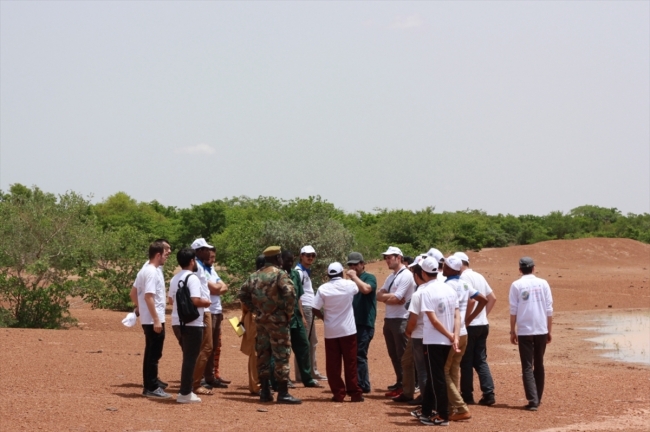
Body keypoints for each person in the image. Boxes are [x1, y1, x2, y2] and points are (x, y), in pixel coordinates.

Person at [238, 246, 301, 404]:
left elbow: (242, 293)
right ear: (277, 258)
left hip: (261, 321)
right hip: (278, 322)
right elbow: (290, 293)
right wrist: (287, 312)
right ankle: (283, 392)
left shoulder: (254, 276)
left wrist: (256, 309)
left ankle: (265, 391)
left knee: (263, 355)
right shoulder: (280, 274)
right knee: (281, 355)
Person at [410, 256, 461, 426]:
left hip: (433, 340)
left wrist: (449, 335)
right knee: (434, 377)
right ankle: (426, 411)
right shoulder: (449, 289)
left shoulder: (426, 292)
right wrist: (455, 335)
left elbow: (433, 320)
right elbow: (456, 315)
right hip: (446, 341)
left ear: (423, 273)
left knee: (437, 378)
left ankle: (443, 415)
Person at [442, 255, 488, 421]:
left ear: (449, 269)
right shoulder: (464, 284)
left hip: (450, 334)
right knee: (453, 369)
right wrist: (469, 319)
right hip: (463, 333)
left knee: (442, 371)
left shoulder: (446, 286)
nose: (442, 268)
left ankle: (460, 407)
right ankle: (451, 407)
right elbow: (483, 300)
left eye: (445, 266)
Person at [312, 262, 364, 402]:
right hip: (348, 330)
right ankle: (354, 393)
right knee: (351, 362)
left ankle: (338, 393)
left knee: (333, 364)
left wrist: (324, 318)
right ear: (342, 273)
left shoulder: (323, 289)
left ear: (328, 275)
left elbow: (314, 307)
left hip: (331, 331)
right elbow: (358, 289)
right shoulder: (349, 285)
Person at [509, 256, 553, 411]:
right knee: (539, 364)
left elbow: (513, 310)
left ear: (520, 270)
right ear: (533, 268)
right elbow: (549, 309)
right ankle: (537, 398)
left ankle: (533, 400)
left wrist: (512, 330)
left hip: (525, 330)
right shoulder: (543, 283)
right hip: (541, 328)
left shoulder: (516, 285)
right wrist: (549, 330)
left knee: (527, 365)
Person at [168, 248, 211, 404]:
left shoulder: (174, 278)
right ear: (192, 261)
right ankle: (185, 393)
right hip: (192, 323)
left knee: (188, 357)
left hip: (176, 322)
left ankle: (185, 391)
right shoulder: (192, 278)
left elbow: (170, 301)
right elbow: (195, 300)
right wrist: (206, 302)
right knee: (190, 358)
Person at [455, 251, 498, 406]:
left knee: (466, 361)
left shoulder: (463, 278)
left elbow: (472, 301)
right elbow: (492, 298)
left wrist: (468, 320)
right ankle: (489, 393)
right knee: (480, 360)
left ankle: (467, 395)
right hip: (482, 324)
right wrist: (483, 316)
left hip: (471, 326)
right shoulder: (479, 276)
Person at [130, 238, 172, 391]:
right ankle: (151, 387)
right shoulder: (151, 272)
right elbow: (148, 296)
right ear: (158, 255)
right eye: (165, 253)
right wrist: (155, 319)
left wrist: (141, 310)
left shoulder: (146, 270)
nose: (168, 255)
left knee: (152, 352)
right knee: (153, 353)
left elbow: (133, 293)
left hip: (151, 317)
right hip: (154, 319)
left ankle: (152, 382)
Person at [377, 246, 416, 398]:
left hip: (401, 319)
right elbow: (379, 295)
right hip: (390, 319)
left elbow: (399, 298)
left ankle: (406, 387)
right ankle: (400, 383)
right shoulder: (391, 276)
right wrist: (390, 298)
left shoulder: (406, 275)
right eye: (386, 257)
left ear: (398, 257)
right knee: (394, 354)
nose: (387, 260)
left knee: (403, 356)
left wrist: (388, 297)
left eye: (390, 257)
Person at [281, 250, 323, 388]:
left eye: (291, 260)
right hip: (282, 318)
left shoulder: (294, 274)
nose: (289, 263)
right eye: (287, 260)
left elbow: (298, 297)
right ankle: (284, 378)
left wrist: (302, 316)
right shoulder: (277, 275)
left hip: (296, 317)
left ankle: (307, 378)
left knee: (304, 345)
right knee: (283, 349)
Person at [294, 245, 327, 381]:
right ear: (301, 256)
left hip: (310, 307)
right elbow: (297, 296)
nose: (311, 257)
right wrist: (301, 315)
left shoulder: (306, 270)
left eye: (313, 255)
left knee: (312, 341)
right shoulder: (298, 272)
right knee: (303, 343)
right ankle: (302, 374)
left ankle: (312, 371)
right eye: (308, 255)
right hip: (305, 308)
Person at [346, 252, 377, 394]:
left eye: (356, 264)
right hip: (352, 323)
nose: (353, 267)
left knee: (360, 354)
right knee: (353, 354)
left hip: (365, 323)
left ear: (362, 264)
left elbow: (366, 289)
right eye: (350, 264)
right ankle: (357, 382)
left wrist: (353, 277)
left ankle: (363, 384)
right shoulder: (348, 282)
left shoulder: (369, 277)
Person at [403, 254, 430, 406]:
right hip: (432, 334)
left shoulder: (421, 291)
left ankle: (426, 401)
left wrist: (408, 331)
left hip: (419, 333)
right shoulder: (436, 287)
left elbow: (413, 316)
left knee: (423, 368)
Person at [204, 248, 231, 389]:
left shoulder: (211, 269)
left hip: (217, 310)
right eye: (211, 257)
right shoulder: (200, 269)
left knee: (215, 346)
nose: (213, 260)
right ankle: (205, 376)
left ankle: (212, 375)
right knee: (207, 346)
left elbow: (224, 287)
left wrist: (217, 288)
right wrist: (217, 288)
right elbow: (216, 289)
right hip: (209, 311)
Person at [240, 255, 266, 395]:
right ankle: (255, 386)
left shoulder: (252, 278)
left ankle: (259, 384)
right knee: (255, 352)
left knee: (258, 352)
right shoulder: (256, 279)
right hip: (255, 319)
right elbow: (243, 299)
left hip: (253, 317)